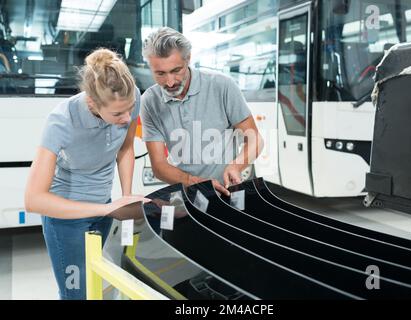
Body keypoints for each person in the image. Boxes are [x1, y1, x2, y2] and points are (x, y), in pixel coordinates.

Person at [24, 48, 149, 300]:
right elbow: (33, 199)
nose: (127, 118)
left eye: (130, 110)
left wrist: (125, 200)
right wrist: (107, 209)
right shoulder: (61, 121)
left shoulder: (130, 96)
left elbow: (125, 148)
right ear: (92, 102)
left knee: (93, 285)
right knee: (76, 293)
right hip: (66, 220)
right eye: (117, 114)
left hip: (104, 209)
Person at [140, 27, 264, 195]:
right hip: (185, 194)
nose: (169, 83)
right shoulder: (149, 101)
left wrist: (236, 166)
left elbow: (255, 139)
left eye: (176, 71)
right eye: (160, 74)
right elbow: (159, 166)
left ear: (188, 59)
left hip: (227, 191)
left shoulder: (222, 86)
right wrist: (196, 183)